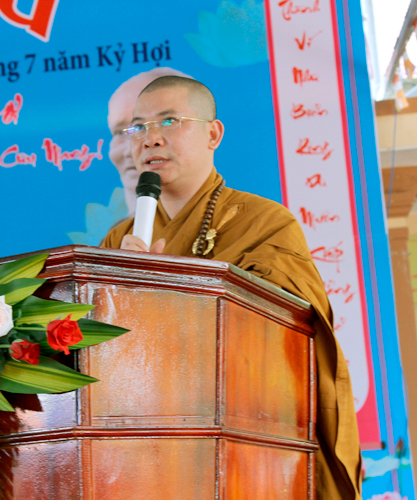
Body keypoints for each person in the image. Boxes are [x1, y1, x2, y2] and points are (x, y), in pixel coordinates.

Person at [101, 76, 362, 500]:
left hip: (244, 447)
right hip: (146, 451)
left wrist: (167, 291)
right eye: (138, 127)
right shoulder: (119, 240)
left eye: (169, 121)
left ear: (213, 134)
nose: (150, 139)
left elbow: (280, 344)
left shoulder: (265, 224)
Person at [107, 67, 190, 217]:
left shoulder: (230, 222)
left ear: (211, 135)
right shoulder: (117, 232)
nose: (131, 151)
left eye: (166, 123)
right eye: (120, 132)